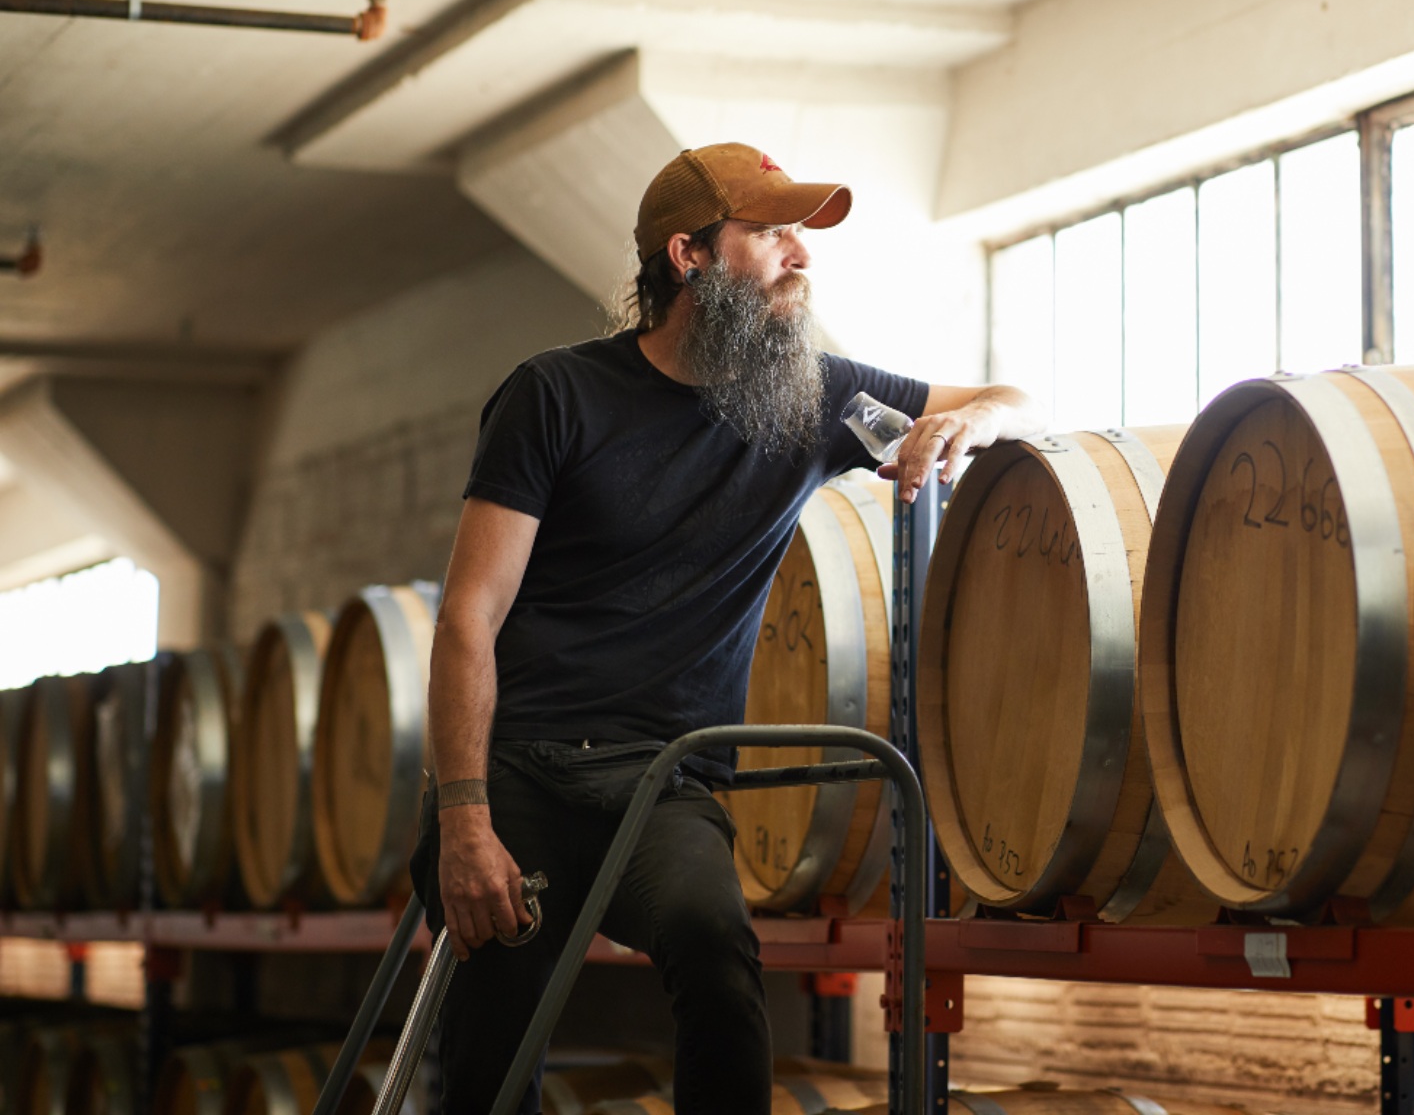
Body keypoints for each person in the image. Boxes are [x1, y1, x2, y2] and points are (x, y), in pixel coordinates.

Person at [411, 141, 1044, 1114]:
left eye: (802, 234)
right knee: (493, 1054)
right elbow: (469, 617)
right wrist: (462, 820)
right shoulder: (557, 395)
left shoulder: (816, 399)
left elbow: (1011, 399)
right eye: (771, 232)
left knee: (718, 957)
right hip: (520, 775)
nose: (801, 254)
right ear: (688, 256)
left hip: (663, 782)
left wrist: (969, 425)